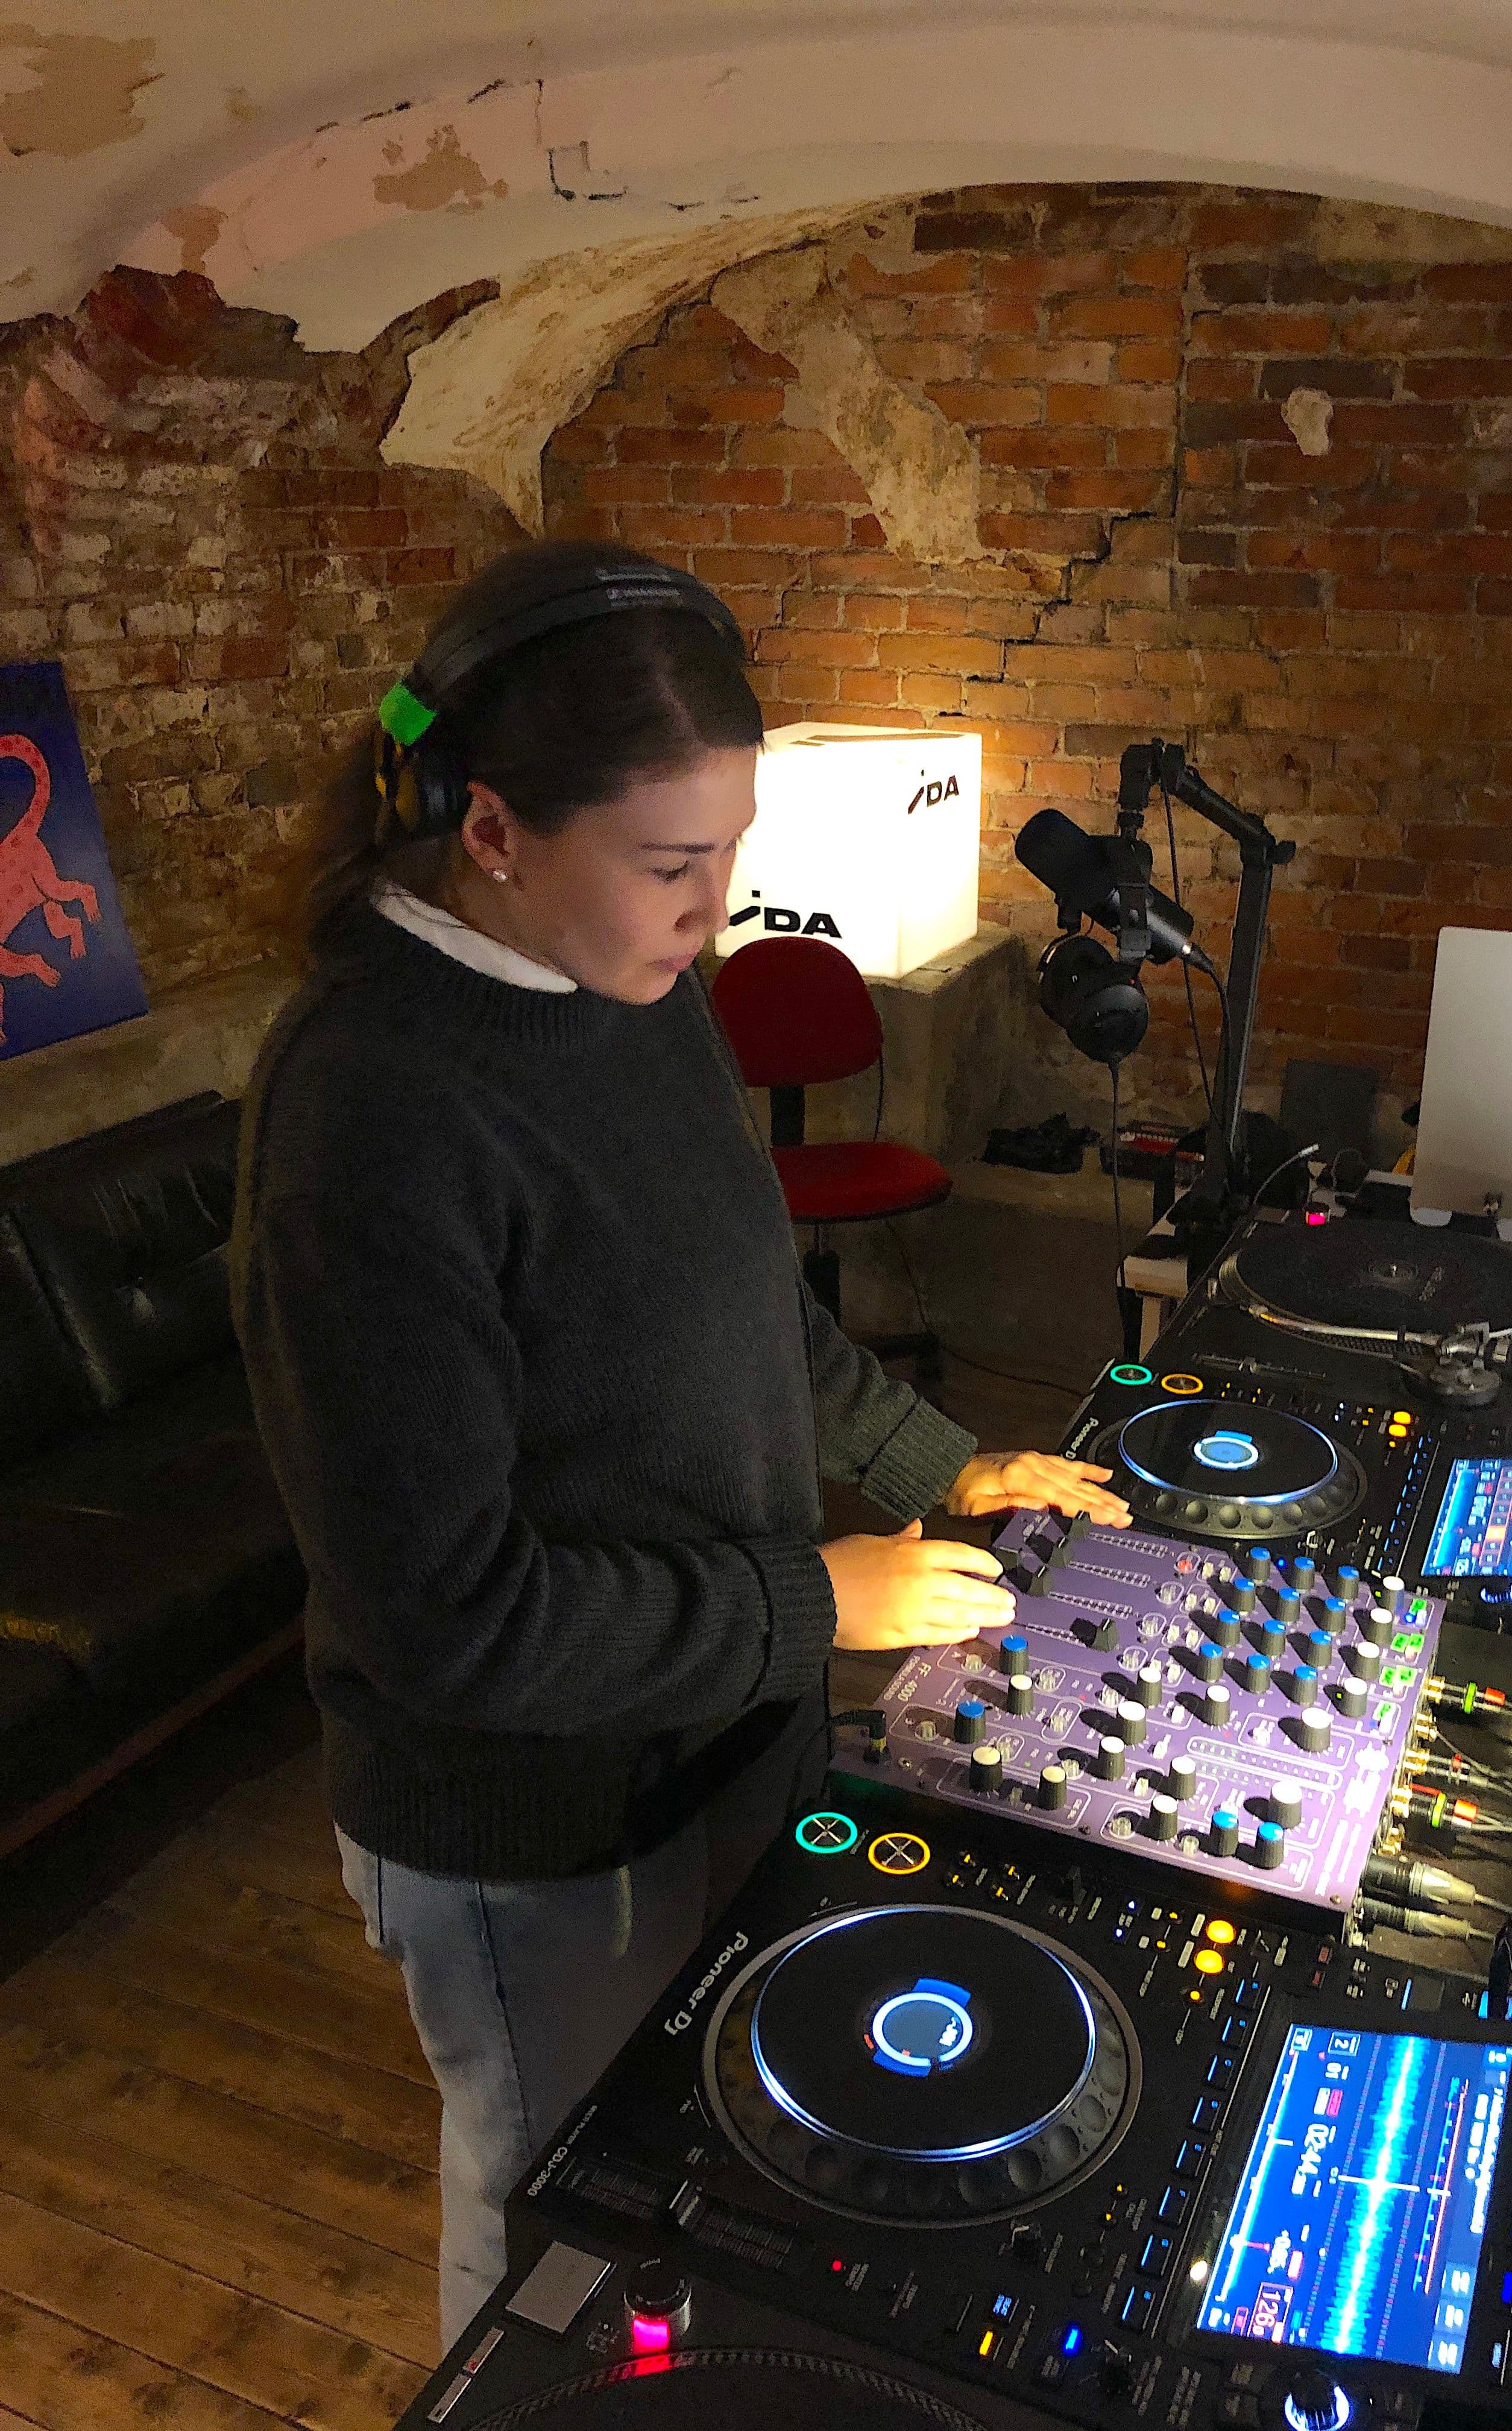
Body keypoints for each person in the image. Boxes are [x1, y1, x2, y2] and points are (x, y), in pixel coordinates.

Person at [229, 539, 1131, 2353]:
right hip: (533, 1836)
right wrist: (818, 1603)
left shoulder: (633, 982)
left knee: (710, 2171)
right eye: (671, 865)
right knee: (554, 2216)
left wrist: (940, 1463)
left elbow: (750, 1312)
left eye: (731, 854)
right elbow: (451, 1623)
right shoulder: (370, 1114)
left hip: (722, 1740)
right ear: (491, 829)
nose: (718, 911)